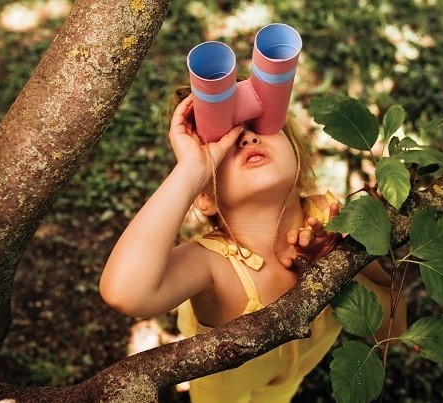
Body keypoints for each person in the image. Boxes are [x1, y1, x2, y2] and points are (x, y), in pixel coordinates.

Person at [99, 86, 406, 402]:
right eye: (222, 142)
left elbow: (395, 329)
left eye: (261, 124)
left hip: (294, 376)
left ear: (297, 157)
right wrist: (191, 170)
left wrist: (337, 269)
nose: (246, 138)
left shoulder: (331, 220)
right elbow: (125, 292)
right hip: (222, 391)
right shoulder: (212, 265)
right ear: (204, 197)